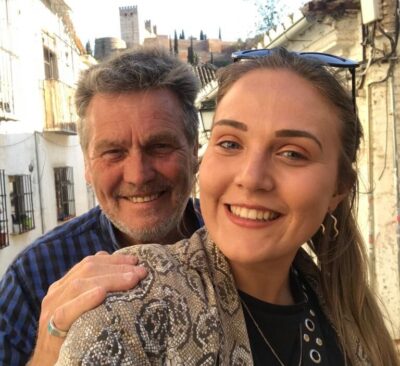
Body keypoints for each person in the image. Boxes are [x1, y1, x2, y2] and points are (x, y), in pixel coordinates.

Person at [56, 47, 399, 366]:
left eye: (292, 153)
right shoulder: (127, 317)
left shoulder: (341, 307)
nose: (251, 178)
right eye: (231, 143)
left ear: (339, 189)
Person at [0, 47, 203, 366]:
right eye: (113, 152)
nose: (138, 175)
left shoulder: (239, 245)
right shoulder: (33, 276)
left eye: (159, 146)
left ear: (193, 150)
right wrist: (50, 347)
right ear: (86, 165)